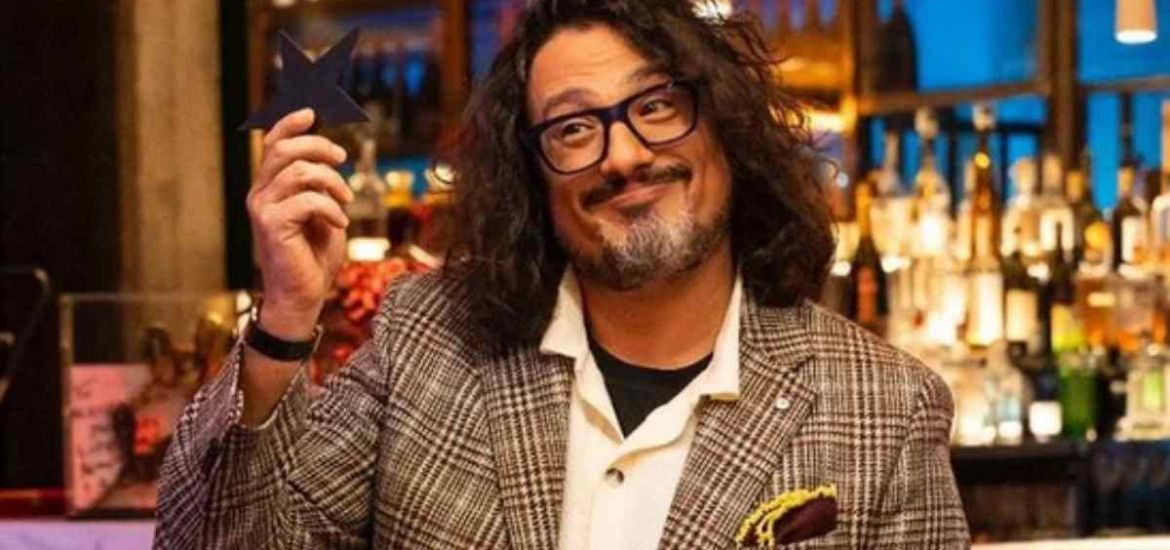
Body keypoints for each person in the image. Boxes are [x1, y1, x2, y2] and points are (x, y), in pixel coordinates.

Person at [156, 1, 969, 548]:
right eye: (574, 128)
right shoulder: (427, 341)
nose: (623, 156)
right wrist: (285, 320)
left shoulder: (885, 408)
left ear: (725, 128)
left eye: (656, 106)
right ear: (533, 178)